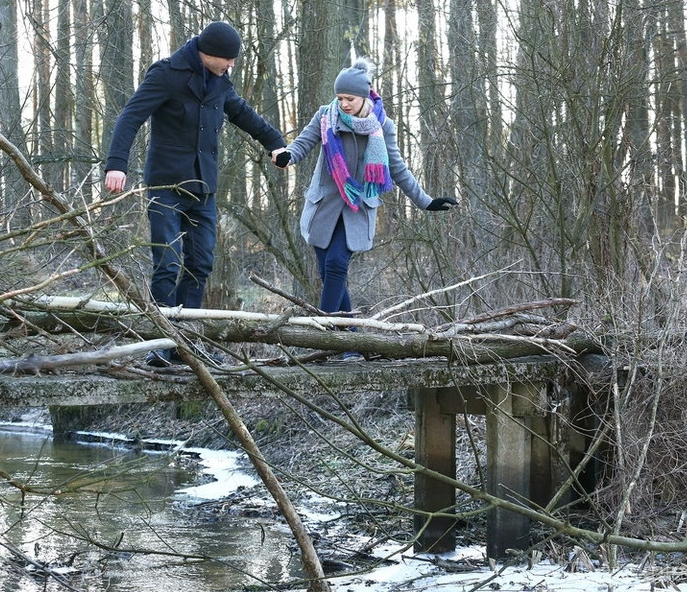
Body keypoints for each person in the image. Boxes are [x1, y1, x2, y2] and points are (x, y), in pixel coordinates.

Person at [103, 21, 288, 366]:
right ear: (208, 54)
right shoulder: (166, 74)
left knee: (200, 264)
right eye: (227, 60)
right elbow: (130, 116)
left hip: (203, 188)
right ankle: (160, 342)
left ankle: (184, 343)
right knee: (167, 262)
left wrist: (274, 144)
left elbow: (242, 113)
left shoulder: (219, 82)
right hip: (166, 186)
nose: (231, 66)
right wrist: (117, 164)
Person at [274, 58, 457, 360]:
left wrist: (425, 201)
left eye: (349, 98)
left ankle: (320, 337)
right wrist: (287, 157)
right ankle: (352, 345)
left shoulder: (382, 127)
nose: (343, 103)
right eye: (339, 98)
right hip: (324, 208)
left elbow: (397, 168)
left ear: (365, 95)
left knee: (336, 264)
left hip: (357, 208)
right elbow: (302, 144)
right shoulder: (325, 117)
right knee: (329, 272)